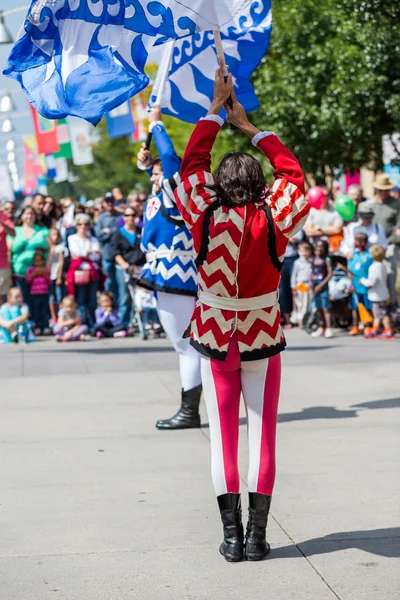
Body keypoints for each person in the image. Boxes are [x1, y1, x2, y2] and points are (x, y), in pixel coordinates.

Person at [173, 70, 310, 562]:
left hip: (214, 337)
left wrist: (213, 112)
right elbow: (293, 176)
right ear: (257, 183)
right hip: (262, 337)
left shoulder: (203, 212)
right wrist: (251, 128)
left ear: (220, 185)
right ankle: (257, 537)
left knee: (223, 443)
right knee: (264, 437)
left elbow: (192, 164)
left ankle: (231, 538)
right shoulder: (276, 215)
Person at [137, 106, 202, 430]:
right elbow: (160, 176)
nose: (156, 174)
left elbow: (172, 165)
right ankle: (195, 408)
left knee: (186, 347)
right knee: (186, 346)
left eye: (159, 171)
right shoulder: (163, 192)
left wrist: (157, 126)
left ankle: (191, 411)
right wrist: (147, 165)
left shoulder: (178, 192)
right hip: (167, 271)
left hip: (175, 272)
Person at [111, 207, 146, 327]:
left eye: (132, 215)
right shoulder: (118, 233)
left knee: (143, 296)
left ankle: (144, 322)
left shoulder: (141, 232)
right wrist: (124, 264)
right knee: (125, 296)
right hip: (125, 268)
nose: (130, 218)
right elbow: (115, 253)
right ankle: (124, 323)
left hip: (141, 267)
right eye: (127, 215)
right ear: (123, 217)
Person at [9, 206, 49, 305]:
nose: (29, 216)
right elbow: (9, 250)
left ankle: (36, 319)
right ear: (21, 216)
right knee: (21, 298)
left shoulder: (42, 230)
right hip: (20, 271)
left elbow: (51, 248)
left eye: (32, 214)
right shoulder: (15, 230)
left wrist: (47, 266)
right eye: (27, 213)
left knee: (37, 300)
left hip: (38, 272)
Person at [66, 214, 101, 329]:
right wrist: (90, 252)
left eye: (86, 224)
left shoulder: (93, 239)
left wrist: (86, 253)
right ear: (77, 225)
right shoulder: (72, 238)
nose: (83, 227)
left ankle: (92, 324)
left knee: (92, 300)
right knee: (81, 300)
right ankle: (83, 323)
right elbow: (76, 252)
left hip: (92, 273)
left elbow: (97, 256)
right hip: (79, 273)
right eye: (80, 224)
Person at [360, 245, 395, 339]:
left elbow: (372, 282)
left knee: (381, 314)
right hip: (382, 294)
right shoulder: (383, 265)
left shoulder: (374, 267)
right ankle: (375, 329)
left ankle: (387, 330)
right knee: (379, 314)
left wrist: (363, 281)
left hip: (377, 295)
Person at [347, 232, 373, 336]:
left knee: (366, 306)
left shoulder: (369, 256)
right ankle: (355, 326)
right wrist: (351, 284)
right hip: (355, 287)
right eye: (356, 240)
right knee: (355, 307)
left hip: (366, 287)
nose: (358, 243)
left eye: (360, 241)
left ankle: (367, 326)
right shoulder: (353, 255)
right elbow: (350, 272)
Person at [95, 193, 120, 297]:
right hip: (107, 255)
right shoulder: (101, 218)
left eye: (111, 201)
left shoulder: (120, 216)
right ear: (104, 203)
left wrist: (109, 231)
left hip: (120, 255)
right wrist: (113, 233)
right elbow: (99, 235)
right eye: (107, 201)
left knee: (120, 284)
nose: (109, 203)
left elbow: (122, 231)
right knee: (109, 283)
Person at [279, 229, 305, 328]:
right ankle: (287, 319)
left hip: (293, 258)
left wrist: (282, 236)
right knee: (282, 290)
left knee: (295, 289)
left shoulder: (295, 223)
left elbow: (296, 238)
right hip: (280, 258)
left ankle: (299, 318)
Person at [310, 240, 334, 338]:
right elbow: (312, 273)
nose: (319, 248)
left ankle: (328, 328)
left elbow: (330, 274)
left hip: (323, 287)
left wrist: (321, 286)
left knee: (325, 308)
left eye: (321, 246)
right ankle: (322, 327)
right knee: (319, 308)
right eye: (317, 246)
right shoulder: (313, 259)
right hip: (315, 286)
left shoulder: (326, 259)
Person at [25, 249, 51, 335]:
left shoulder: (45, 269)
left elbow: (49, 281)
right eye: (36, 261)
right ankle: (36, 327)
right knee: (36, 311)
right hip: (34, 294)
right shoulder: (31, 270)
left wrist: (45, 274)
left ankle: (45, 326)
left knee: (44, 311)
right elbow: (28, 280)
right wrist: (34, 274)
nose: (38, 263)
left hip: (44, 293)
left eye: (40, 261)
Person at [291, 241, 313, 326]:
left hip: (308, 284)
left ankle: (306, 319)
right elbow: (294, 275)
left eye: (307, 251)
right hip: (300, 284)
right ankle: (300, 319)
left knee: (307, 302)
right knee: (299, 303)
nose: (305, 253)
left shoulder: (311, 261)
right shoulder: (297, 262)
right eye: (303, 251)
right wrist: (293, 287)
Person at [371, 174, 400, 239]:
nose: (383, 193)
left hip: (391, 242)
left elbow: (398, 227)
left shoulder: (397, 204)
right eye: (380, 190)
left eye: (386, 190)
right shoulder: (372, 204)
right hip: (373, 241)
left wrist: (389, 240)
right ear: (376, 190)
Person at [47, 228, 65, 325]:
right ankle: (53, 317)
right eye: (52, 235)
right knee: (51, 298)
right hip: (49, 276)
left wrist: (59, 277)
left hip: (57, 275)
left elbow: (61, 263)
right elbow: (48, 264)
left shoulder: (60, 248)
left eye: (56, 235)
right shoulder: (49, 248)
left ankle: (61, 316)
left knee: (59, 297)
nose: (54, 237)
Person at [0, 205, 15, 304]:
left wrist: (2, 223)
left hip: (2, 263)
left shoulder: (3, 217)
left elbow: (13, 233)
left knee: (1, 293)